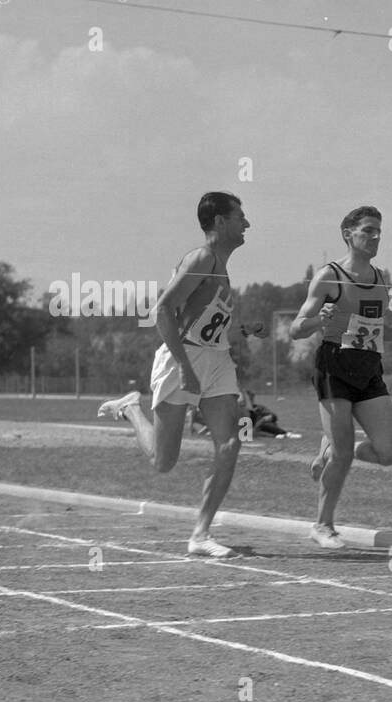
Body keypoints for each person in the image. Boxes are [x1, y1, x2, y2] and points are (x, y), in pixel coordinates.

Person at [98, 191, 262, 558]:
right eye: (240, 217)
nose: (247, 223)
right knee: (163, 461)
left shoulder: (220, 265)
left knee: (230, 444)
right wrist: (186, 369)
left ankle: (201, 534)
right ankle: (130, 410)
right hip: (180, 361)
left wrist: (244, 330)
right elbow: (162, 312)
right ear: (219, 221)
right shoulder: (202, 259)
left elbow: (208, 324)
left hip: (217, 361)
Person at [289, 206, 392, 550]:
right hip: (335, 367)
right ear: (348, 234)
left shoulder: (383, 279)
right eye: (368, 230)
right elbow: (296, 329)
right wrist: (319, 320)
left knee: (390, 452)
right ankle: (323, 525)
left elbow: (384, 331)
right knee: (342, 456)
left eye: (379, 231)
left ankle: (334, 449)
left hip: (369, 369)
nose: (375, 237)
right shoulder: (330, 276)